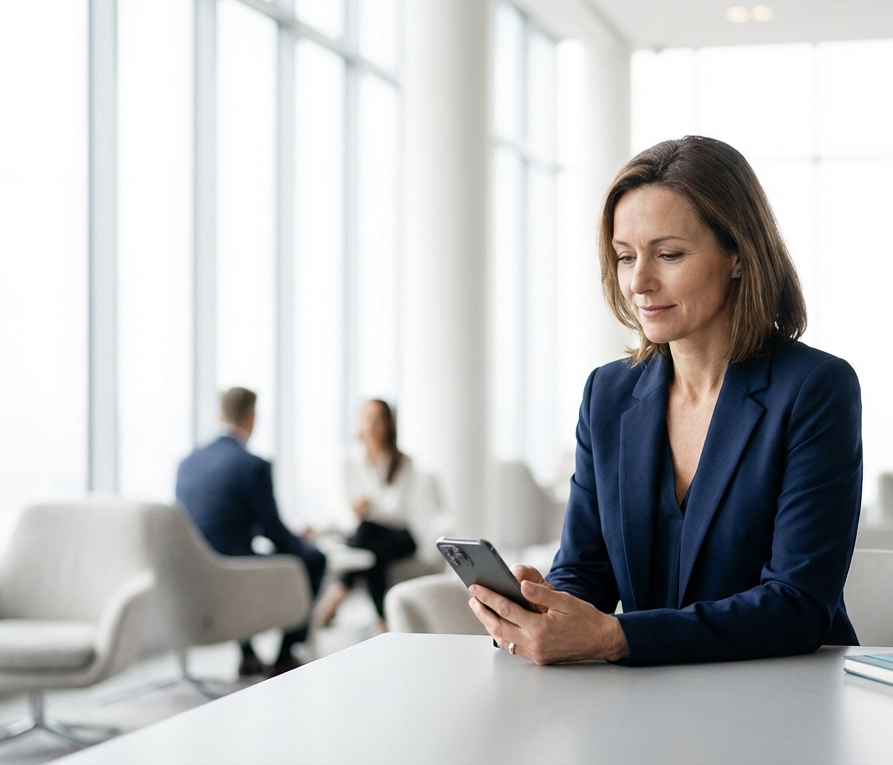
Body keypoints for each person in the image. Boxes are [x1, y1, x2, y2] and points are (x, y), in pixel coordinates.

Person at [467, 136, 863, 666]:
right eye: (625, 257)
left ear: (739, 256)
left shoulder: (816, 388)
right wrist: (542, 607)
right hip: (648, 699)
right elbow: (586, 570)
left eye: (669, 254)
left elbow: (798, 606)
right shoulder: (606, 394)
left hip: (785, 695)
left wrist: (616, 638)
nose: (639, 282)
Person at [175, 387, 326, 677]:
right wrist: (302, 543)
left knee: (249, 551)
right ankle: (286, 654)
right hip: (235, 571)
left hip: (193, 572)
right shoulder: (252, 465)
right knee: (314, 559)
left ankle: (248, 655)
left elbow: (216, 521)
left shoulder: (187, 463)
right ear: (252, 416)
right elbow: (275, 532)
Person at [314, 399, 445, 631]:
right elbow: (339, 508)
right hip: (365, 534)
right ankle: (381, 617)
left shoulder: (403, 462)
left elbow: (396, 511)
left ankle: (340, 589)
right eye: (368, 418)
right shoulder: (347, 459)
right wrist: (359, 512)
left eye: (379, 419)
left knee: (366, 535)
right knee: (371, 546)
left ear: (388, 424)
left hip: (399, 536)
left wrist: (368, 507)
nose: (373, 425)